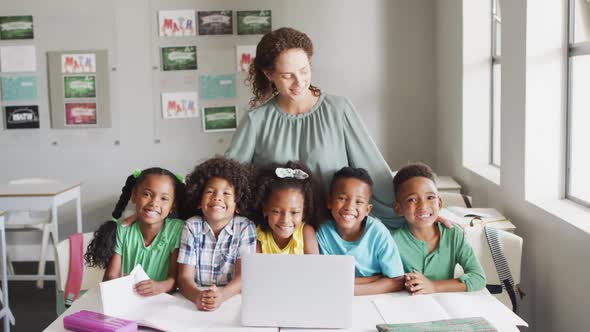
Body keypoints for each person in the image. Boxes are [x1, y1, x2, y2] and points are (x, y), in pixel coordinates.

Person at [225, 27, 407, 230]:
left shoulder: (339, 110)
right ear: (269, 74)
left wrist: (418, 215)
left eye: (304, 71)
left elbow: (375, 173)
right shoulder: (255, 120)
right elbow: (227, 183)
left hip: (334, 234)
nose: (299, 82)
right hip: (276, 239)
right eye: (287, 76)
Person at [87, 167, 186, 297]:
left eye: (164, 198)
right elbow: (110, 276)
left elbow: (175, 278)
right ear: (134, 195)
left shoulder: (177, 230)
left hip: (162, 303)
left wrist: (158, 286)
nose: (154, 203)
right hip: (125, 300)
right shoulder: (123, 230)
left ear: (173, 205)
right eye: (147, 194)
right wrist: (122, 284)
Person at [392, 163, 486, 295]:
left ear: (439, 203)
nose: (423, 206)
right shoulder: (392, 241)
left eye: (430, 197)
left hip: (446, 307)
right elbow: (386, 280)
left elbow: (478, 278)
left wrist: (433, 286)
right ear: (398, 208)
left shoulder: (453, 234)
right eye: (412, 199)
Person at [177, 157, 256, 311]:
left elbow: (243, 277)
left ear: (238, 204)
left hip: (232, 299)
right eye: (210, 191)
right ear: (199, 201)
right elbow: (184, 277)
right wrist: (197, 296)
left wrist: (221, 295)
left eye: (226, 193)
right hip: (195, 298)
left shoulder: (245, 228)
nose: (217, 197)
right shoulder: (192, 226)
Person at [316, 167, 405, 295]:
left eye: (359, 201)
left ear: (368, 210)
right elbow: (323, 281)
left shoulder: (377, 232)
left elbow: (397, 280)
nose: (349, 207)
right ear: (329, 202)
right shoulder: (323, 232)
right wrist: (374, 279)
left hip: (378, 300)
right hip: (335, 301)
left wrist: (348, 290)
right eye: (342, 198)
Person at [252, 161, 320, 254]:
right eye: (276, 211)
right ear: (265, 209)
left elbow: (314, 266)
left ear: (303, 212)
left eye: (294, 212)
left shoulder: (306, 233)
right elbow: (255, 267)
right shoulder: (258, 234)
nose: (285, 220)